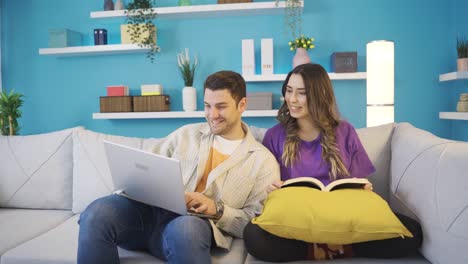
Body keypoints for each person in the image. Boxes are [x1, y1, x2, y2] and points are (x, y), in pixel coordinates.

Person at [77, 70, 280, 264]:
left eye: (221, 106)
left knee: (186, 229)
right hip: (145, 215)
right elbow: (146, 164)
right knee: (96, 212)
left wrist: (216, 209)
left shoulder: (262, 161)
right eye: (207, 106)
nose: (212, 114)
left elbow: (255, 223)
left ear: (242, 104)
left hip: (190, 225)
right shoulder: (186, 134)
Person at [243, 63, 423, 262]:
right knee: (253, 236)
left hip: (342, 216)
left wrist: (364, 187)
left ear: (320, 95)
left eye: (301, 93)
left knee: (411, 231)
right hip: (299, 218)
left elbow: (359, 181)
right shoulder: (275, 136)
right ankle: (339, 248)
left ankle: (318, 248)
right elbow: (268, 188)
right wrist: (271, 188)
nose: (292, 99)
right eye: (289, 90)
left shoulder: (345, 131)